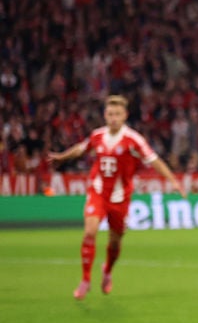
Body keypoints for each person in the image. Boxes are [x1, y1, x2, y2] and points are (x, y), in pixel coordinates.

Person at [47, 95, 185, 299]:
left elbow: (154, 160)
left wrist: (172, 180)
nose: (113, 118)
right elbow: (81, 149)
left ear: (125, 116)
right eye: (110, 114)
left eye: (117, 114)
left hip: (120, 198)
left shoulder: (133, 140)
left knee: (115, 242)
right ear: (105, 115)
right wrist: (62, 156)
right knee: (90, 232)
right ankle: (85, 280)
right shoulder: (97, 135)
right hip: (98, 192)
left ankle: (107, 271)